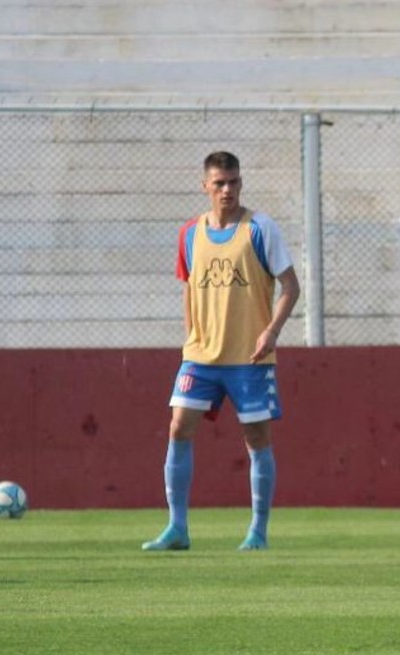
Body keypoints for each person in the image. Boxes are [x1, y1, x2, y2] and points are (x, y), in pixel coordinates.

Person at [143, 151, 301, 552]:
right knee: (179, 426)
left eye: (233, 181)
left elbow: (291, 286)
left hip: (249, 358)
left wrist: (271, 332)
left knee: (256, 438)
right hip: (201, 356)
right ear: (205, 186)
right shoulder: (189, 234)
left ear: (241, 183)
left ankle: (258, 532)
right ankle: (177, 527)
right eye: (219, 183)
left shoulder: (260, 229)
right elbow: (188, 286)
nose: (227, 189)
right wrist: (191, 335)